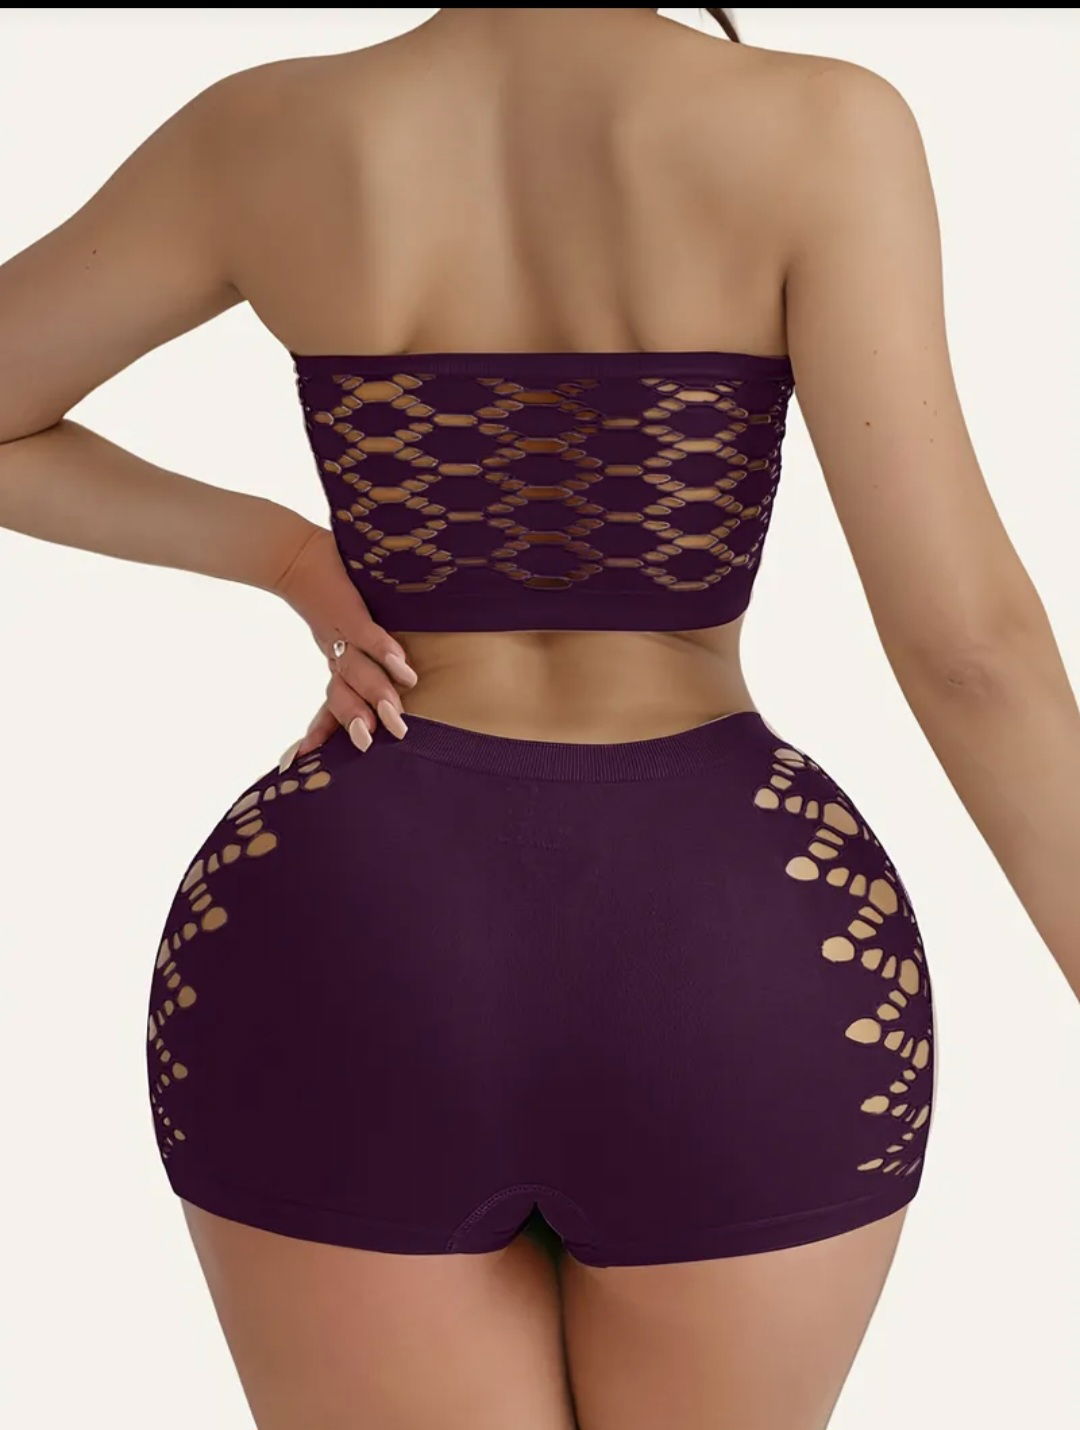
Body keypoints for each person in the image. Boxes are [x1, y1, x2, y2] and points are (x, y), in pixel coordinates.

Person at [1, 8, 1076, 1429]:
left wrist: (285, 554)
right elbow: (971, 653)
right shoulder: (819, 125)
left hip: (346, 924)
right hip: (738, 939)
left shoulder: (267, 132)